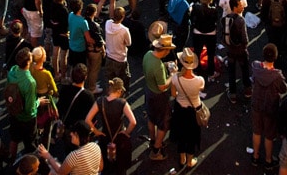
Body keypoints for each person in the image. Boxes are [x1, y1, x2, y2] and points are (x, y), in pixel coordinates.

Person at [85, 77, 135, 175]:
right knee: (120, 166)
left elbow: (88, 119)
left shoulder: (100, 101)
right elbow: (133, 122)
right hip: (119, 138)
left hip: (105, 137)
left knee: (106, 165)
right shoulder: (123, 103)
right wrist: (126, 132)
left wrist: (96, 131)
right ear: (119, 91)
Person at [250, 43, 287, 169]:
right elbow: (284, 89)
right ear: (275, 58)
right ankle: (268, 159)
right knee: (269, 135)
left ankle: (255, 156)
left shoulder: (256, 67)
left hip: (256, 104)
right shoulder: (277, 76)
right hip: (270, 107)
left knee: (256, 131)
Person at [170, 47, 207, 169]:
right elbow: (201, 89)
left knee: (181, 134)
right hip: (194, 110)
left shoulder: (175, 78)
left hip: (180, 110)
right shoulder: (199, 80)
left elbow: (173, 94)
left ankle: (182, 158)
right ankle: (190, 161)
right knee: (192, 136)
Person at [143, 33, 176, 161]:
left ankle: (152, 139)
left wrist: (166, 66)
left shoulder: (148, 55)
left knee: (151, 118)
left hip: (148, 91)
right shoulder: (158, 66)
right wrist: (172, 76)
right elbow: (162, 86)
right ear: (166, 50)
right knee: (163, 124)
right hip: (159, 97)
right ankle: (156, 150)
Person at [7, 47, 40, 161]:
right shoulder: (30, 82)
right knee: (30, 145)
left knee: (14, 138)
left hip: (14, 112)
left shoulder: (13, 70)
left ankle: (11, 162)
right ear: (28, 62)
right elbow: (30, 108)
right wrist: (39, 102)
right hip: (27, 119)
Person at [37, 120, 102, 175]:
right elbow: (100, 167)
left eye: (73, 133)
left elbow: (61, 172)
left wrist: (48, 156)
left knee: (51, 170)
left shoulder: (75, 155)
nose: (70, 134)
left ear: (77, 135)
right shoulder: (96, 146)